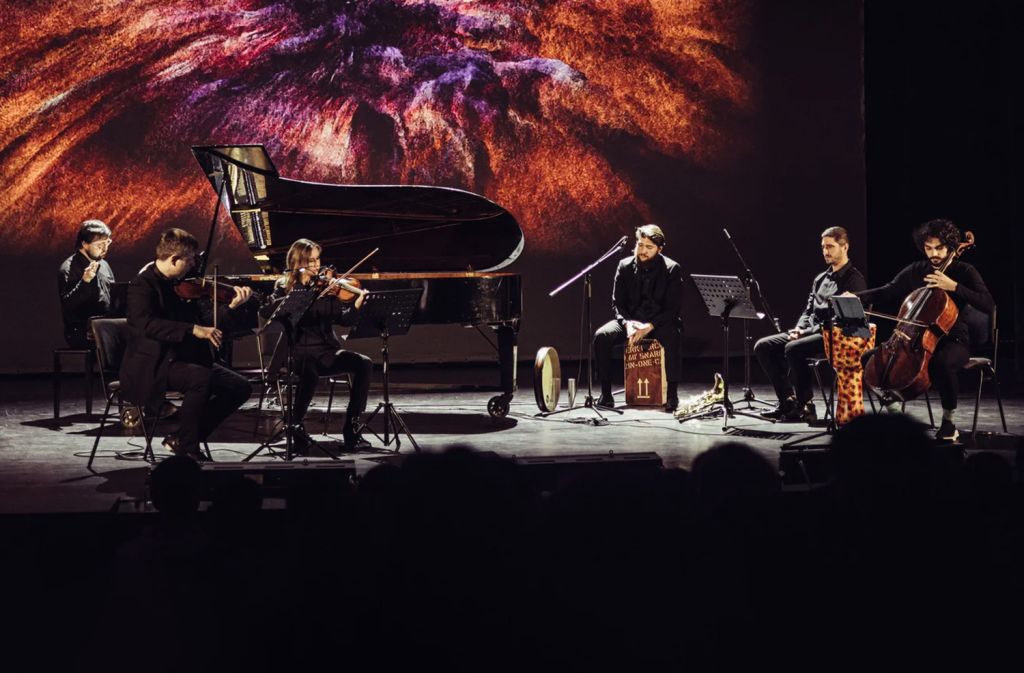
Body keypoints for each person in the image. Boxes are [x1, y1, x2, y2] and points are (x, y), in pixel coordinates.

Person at [853, 219, 994, 442]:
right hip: (915, 339)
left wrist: (954, 286)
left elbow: (988, 304)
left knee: (942, 363)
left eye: (939, 248)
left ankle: (949, 423)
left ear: (950, 246)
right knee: (869, 360)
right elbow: (887, 291)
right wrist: (855, 297)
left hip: (954, 339)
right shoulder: (917, 270)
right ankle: (897, 417)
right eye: (928, 248)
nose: (933, 253)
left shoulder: (964, 270)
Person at [119, 228, 253, 461]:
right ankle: (188, 449)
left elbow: (205, 322)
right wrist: (192, 329)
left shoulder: (179, 285)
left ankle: (182, 438)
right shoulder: (142, 285)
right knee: (200, 378)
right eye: (190, 259)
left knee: (240, 387)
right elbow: (146, 324)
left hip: (180, 360)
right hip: (153, 364)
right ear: (174, 259)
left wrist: (231, 307)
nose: (193, 264)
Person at [259, 238, 373, 452]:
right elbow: (268, 312)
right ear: (297, 262)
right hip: (296, 353)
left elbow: (343, 320)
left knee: (364, 363)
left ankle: (352, 429)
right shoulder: (283, 288)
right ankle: (295, 426)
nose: (316, 265)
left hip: (326, 352)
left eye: (317, 259)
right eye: (310, 261)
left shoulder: (329, 288)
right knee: (308, 371)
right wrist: (302, 288)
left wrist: (356, 307)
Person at [754, 226, 867, 422]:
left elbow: (842, 320)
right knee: (763, 346)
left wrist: (804, 332)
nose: (825, 251)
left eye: (830, 247)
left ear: (845, 247)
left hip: (835, 336)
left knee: (793, 348)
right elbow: (808, 311)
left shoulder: (854, 280)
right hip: (810, 331)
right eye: (823, 247)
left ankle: (805, 405)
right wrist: (799, 328)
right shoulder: (820, 279)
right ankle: (787, 401)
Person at [593, 224, 683, 411]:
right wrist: (627, 323)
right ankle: (606, 394)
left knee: (672, 335)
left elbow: (672, 309)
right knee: (602, 336)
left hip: (658, 322)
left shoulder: (672, 268)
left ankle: (672, 395)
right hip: (631, 321)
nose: (643, 251)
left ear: (659, 249)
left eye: (649, 247)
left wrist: (650, 326)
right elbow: (617, 303)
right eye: (640, 245)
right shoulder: (624, 266)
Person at [57, 219, 115, 347]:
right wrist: (85, 281)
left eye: (107, 243)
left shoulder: (104, 264)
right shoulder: (68, 268)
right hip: (82, 331)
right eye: (100, 245)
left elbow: (111, 296)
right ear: (84, 244)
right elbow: (68, 306)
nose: (105, 248)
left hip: (105, 326)